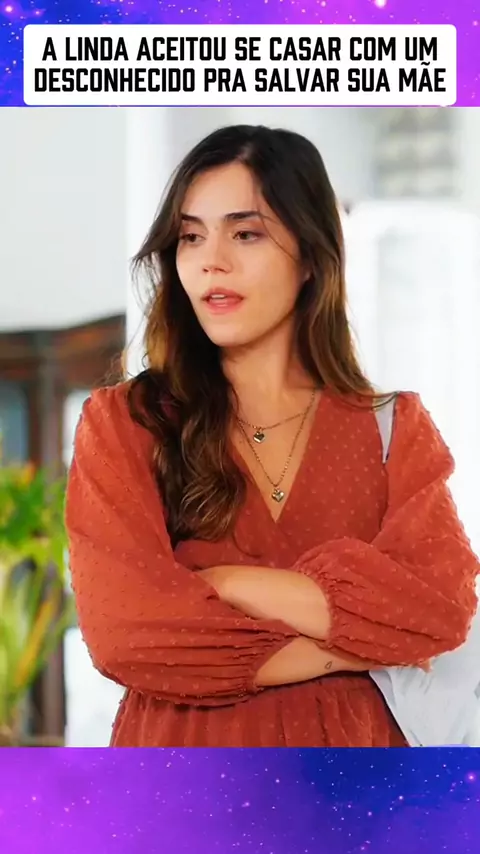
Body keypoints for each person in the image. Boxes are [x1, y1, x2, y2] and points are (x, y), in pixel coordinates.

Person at [65, 124, 479, 747]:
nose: (211, 260)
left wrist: (230, 584)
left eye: (246, 233)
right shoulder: (127, 422)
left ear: (310, 256)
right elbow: (128, 633)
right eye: (191, 236)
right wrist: (349, 645)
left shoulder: (394, 426)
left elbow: (440, 610)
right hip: (183, 774)